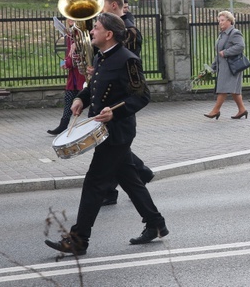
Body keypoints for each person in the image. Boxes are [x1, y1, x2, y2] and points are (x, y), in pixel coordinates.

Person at [44, 13, 168, 256]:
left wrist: (115, 112)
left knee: (94, 182)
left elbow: (142, 96)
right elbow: (95, 85)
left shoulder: (128, 60)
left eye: (96, 28)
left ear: (109, 34)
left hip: (117, 131)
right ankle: (155, 224)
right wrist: (81, 98)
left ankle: (78, 240)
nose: (91, 31)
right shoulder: (101, 56)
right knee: (129, 178)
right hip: (103, 131)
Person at [100, 0, 152, 206]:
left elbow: (122, 60)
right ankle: (135, 178)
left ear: (113, 6)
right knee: (112, 144)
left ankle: (115, 188)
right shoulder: (115, 28)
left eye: (102, 4)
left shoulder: (128, 30)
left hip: (121, 94)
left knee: (115, 144)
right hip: (109, 92)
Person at [205, 11, 248, 119]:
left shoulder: (235, 33)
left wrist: (226, 52)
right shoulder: (222, 34)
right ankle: (242, 109)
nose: (220, 22)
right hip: (223, 66)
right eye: (219, 20)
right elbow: (218, 53)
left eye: (222, 20)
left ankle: (215, 111)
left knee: (223, 88)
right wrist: (212, 67)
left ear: (229, 21)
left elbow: (240, 46)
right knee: (233, 89)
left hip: (231, 66)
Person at [47, 19, 87, 135]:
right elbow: (69, 53)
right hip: (74, 74)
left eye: (73, 18)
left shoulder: (81, 34)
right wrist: (66, 62)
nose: (70, 20)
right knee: (69, 99)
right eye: (68, 17)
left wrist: (68, 62)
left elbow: (78, 54)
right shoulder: (69, 34)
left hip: (81, 73)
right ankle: (63, 125)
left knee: (87, 98)